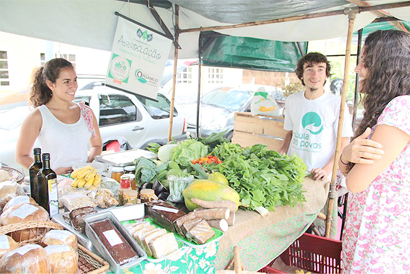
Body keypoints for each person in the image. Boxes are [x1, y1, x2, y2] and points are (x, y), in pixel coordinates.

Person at [339, 30, 410, 273]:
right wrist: (346, 156)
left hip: (383, 242)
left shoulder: (401, 108)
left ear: (386, 66)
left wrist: (347, 156)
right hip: (373, 234)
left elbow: (355, 181)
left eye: (365, 61)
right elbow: (349, 165)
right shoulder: (391, 108)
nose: (358, 69)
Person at [15, 58, 102, 175]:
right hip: (53, 187)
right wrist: (49, 173)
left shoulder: (86, 112)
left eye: (75, 80)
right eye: (66, 81)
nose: (73, 86)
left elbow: (96, 145)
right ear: (51, 84)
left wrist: (86, 167)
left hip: (85, 184)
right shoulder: (38, 116)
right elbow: (21, 156)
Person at [279, 52, 353, 181]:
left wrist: (327, 169)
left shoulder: (337, 104)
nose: (315, 75)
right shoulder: (292, 100)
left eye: (320, 69)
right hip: (292, 171)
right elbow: (290, 133)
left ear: (326, 75)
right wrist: (281, 152)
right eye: (309, 70)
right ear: (301, 75)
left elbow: (343, 143)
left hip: (319, 175)